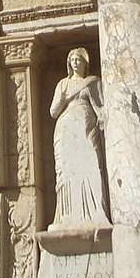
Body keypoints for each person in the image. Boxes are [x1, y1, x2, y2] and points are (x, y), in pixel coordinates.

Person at [49, 47, 109, 227]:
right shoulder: (63, 84)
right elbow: (53, 111)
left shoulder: (92, 82)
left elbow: (100, 107)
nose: (75, 62)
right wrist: (65, 98)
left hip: (86, 125)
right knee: (67, 171)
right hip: (66, 128)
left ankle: (96, 212)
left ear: (85, 62)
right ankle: (67, 215)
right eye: (72, 59)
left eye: (78, 59)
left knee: (91, 164)